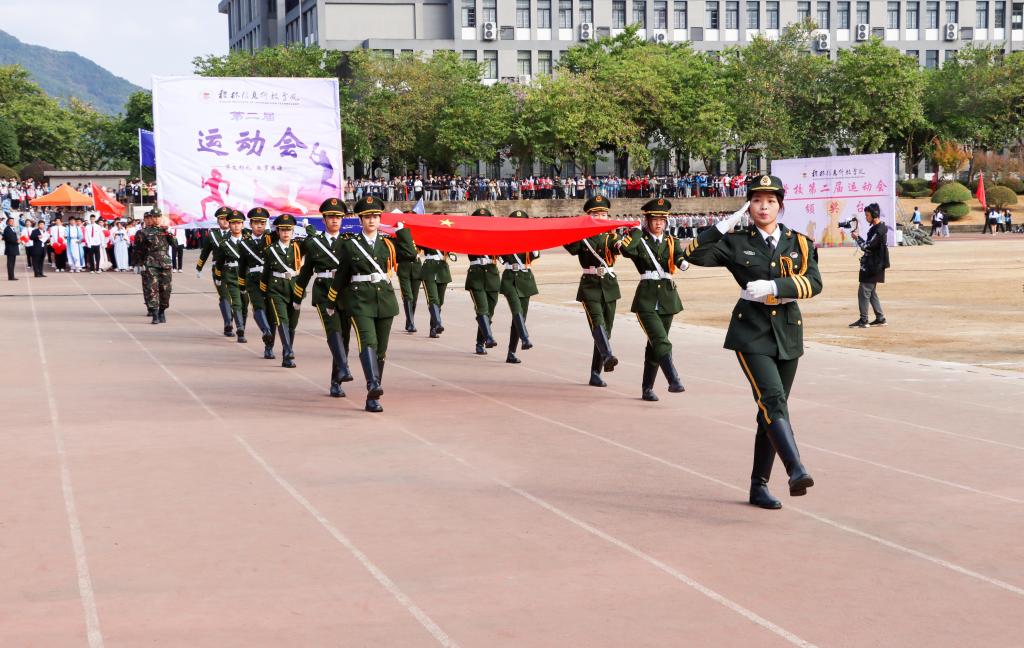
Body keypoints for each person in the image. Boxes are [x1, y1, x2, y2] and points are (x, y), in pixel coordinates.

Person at [683, 174, 821, 509]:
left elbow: (814, 282)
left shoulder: (798, 242)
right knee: (772, 399)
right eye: (757, 201)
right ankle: (796, 468)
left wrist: (776, 288)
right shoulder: (735, 241)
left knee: (772, 412)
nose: (763, 207)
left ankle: (759, 486)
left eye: (770, 201)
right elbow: (692, 254)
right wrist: (722, 225)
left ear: (780, 206)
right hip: (752, 332)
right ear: (749, 206)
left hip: (788, 331)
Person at [327, 196, 416, 412]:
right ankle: (373, 384)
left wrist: (403, 231)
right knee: (368, 341)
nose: (372, 220)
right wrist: (332, 300)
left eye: (375, 216)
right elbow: (342, 275)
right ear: (360, 220)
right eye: (367, 217)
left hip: (384, 300)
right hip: (359, 301)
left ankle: (372, 397)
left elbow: (410, 254)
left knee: (381, 350)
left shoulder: (388, 243)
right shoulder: (350, 245)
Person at [617, 197, 688, 401]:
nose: (658, 223)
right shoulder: (640, 240)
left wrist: (683, 263)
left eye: (662, 219)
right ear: (647, 220)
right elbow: (625, 250)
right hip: (646, 299)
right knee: (660, 340)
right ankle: (673, 379)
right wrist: (637, 230)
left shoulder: (671, 240)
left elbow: (679, 255)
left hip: (667, 297)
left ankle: (647, 388)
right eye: (654, 219)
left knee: (654, 345)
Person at [294, 198, 355, 397]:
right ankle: (344, 369)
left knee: (344, 337)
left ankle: (336, 381)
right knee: (333, 331)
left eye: (338, 217)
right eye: (331, 217)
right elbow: (306, 271)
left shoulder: (350, 242)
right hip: (322, 291)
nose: (335, 221)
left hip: (344, 292)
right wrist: (298, 295)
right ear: (324, 219)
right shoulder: (315, 243)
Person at [563, 195, 620, 387]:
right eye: (597, 214)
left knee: (607, 332)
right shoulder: (582, 237)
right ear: (589, 216)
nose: (602, 217)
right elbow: (569, 245)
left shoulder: (613, 236)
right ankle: (608, 355)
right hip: (590, 285)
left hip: (610, 285)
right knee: (598, 324)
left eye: (604, 214)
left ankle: (596, 373)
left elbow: (622, 249)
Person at [260, 214, 303, 368]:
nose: (286, 233)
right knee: (281, 320)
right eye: (282, 230)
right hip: (276, 288)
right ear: (277, 231)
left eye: (289, 230)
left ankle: (286, 356)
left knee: (292, 324)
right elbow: (265, 273)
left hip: (294, 288)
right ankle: (289, 351)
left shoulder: (298, 246)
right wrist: (264, 293)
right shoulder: (270, 250)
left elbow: (314, 241)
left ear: (293, 231)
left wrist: (308, 227)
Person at [499, 209, 538, 364]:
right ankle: (525, 338)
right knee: (517, 310)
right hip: (510, 278)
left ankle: (511, 352)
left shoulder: (530, 240)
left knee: (521, 316)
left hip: (525, 279)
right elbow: (502, 257)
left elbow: (535, 256)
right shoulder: (504, 240)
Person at [238, 207, 278, 359]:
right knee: (258, 307)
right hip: (254, 279)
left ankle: (269, 347)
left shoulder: (271, 238)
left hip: (271, 279)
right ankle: (266, 331)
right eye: (256, 223)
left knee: (271, 314)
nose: (259, 226)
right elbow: (242, 266)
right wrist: (242, 285)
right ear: (250, 224)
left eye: (262, 223)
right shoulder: (244, 243)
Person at [464, 207, 500, 355]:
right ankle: (489, 337)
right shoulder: (469, 236)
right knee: (482, 309)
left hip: (492, 275)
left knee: (489, 312)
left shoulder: (496, 236)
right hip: (476, 275)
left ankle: (480, 343)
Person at [848, 203, 890, 328]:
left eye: (867, 215)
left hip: (873, 265)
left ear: (874, 215)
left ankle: (864, 320)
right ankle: (880, 318)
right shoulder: (878, 228)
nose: (866, 217)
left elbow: (867, 246)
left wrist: (857, 237)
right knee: (871, 293)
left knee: (864, 292)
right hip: (874, 264)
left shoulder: (879, 229)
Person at [196, 206, 235, 336]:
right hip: (219, 270)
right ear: (217, 221)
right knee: (224, 295)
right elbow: (205, 252)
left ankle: (235, 320)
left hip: (237, 270)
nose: (225, 221)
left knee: (236, 298)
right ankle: (228, 322)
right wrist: (199, 267)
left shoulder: (238, 233)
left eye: (227, 219)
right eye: (221, 219)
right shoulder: (212, 234)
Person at [134, 208, 176, 324]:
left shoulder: (165, 231)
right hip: (150, 264)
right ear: (150, 218)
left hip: (165, 264)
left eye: (158, 217)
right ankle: (155, 313)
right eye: (154, 217)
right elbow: (138, 250)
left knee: (166, 290)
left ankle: (162, 310)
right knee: (152, 289)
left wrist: (169, 233)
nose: (156, 219)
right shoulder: (143, 232)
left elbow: (176, 244)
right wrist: (138, 264)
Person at [217, 209, 249, 343]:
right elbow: (219, 262)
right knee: (236, 302)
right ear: (229, 225)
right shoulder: (224, 244)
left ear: (242, 225)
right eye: (233, 223)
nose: (236, 225)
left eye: (239, 223)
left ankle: (242, 325)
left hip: (246, 275)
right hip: (231, 274)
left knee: (245, 303)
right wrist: (218, 278)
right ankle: (240, 329)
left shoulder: (249, 242)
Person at [419, 239, 452, 339]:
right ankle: (437, 323)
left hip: (442, 269)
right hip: (429, 268)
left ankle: (433, 328)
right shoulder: (425, 234)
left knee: (440, 302)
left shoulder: (446, 236)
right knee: (433, 299)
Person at [396, 211, 422, 333]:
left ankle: (409, 321)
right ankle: (411, 323)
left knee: (414, 298)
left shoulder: (417, 234)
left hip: (416, 268)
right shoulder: (398, 236)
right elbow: (401, 253)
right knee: (408, 296)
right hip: (404, 268)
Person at [3, 216, 19, 280]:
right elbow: (9, 239)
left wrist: (17, 241)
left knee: (12, 263)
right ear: (8, 222)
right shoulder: (7, 229)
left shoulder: (12, 228)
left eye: (13, 221)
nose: (12, 222)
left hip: (13, 248)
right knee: (10, 263)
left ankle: (12, 276)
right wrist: (17, 241)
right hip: (10, 249)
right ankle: (11, 277)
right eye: (10, 221)